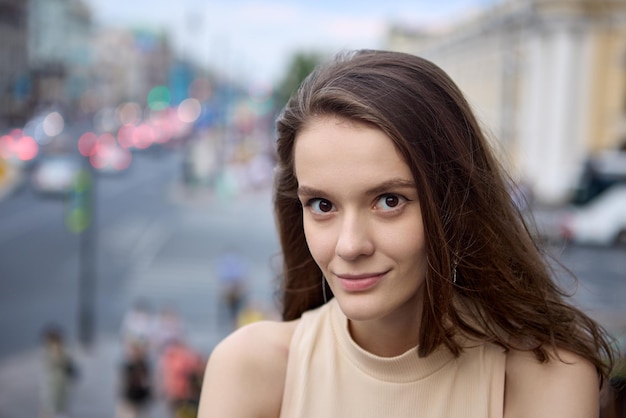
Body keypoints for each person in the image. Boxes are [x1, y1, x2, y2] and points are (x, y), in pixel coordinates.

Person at [198, 50, 617, 417]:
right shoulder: (249, 368)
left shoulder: (544, 377)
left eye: (389, 201)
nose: (349, 245)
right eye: (322, 205)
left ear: (453, 204)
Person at [40, 324, 78, 418]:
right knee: (48, 408)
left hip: (62, 389)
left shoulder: (65, 352)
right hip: (51, 388)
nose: (55, 346)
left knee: (61, 409)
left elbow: (70, 367)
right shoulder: (46, 353)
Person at [116, 340, 153, 418]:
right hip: (129, 399)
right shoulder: (128, 366)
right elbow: (122, 383)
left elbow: (147, 383)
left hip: (141, 399)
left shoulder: (144, 366)